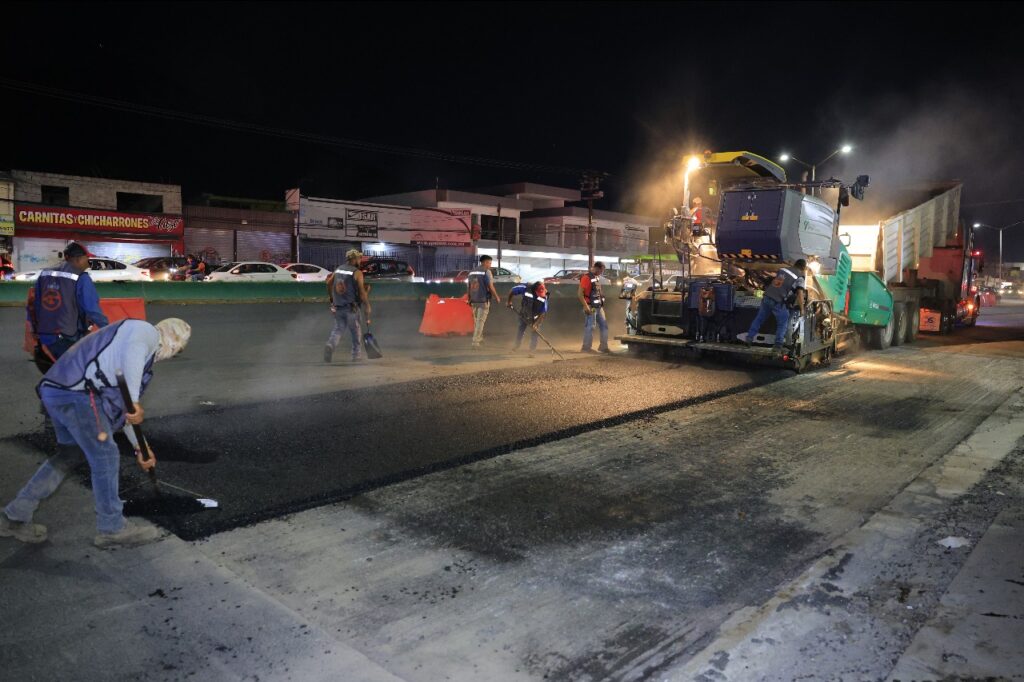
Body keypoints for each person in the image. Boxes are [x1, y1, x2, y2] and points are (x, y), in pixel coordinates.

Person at [0, 317, 191, 549]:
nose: (172, 355)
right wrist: (134, 400)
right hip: (77, 394)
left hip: (58, 392)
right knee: (106, 456)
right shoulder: (145, 333)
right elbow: (130, 392)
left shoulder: (126, 353)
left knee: (69, 455)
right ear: (173, 342)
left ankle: (14, 516)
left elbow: (122, 410)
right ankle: (112, 529)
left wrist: (140, 446)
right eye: (177, 350)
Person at [27, 242, 109, 373]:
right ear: (78, 259)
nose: (88, 263)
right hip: (68, 336)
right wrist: (109, 330)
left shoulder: (44, 274)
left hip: (46, 336)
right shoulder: (81, 278)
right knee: (75, 374)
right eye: (87, 259)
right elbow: (92, 309)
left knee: (57, 373)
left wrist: (34, 329)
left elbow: (33, 304)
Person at [745, 259, 807, 353]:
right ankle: (778, 345)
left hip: (767, 296)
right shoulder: (800, 277)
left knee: (759, 319)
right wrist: (802, 309)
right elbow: (800, 294)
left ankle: (749, 338)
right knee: (783, 322)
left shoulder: (783, 270)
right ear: (803, 268)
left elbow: (779, 284)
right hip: (778, 300)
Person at [324, 249, 371, 363]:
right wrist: (367, 305)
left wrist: (332, 299)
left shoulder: (338, 269)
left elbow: (329, 283)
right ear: (354, 259)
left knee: (338, 329)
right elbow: (361, 292)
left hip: (338, 307)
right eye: (359, 258)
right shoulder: (357, 272)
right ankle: (356, 355)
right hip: (351, 308)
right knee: (356, 332)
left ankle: (330, 345)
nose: (360, 260)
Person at [467, 255, 501, 349]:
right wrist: (497, 297)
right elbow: (490, 286)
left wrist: (469, 298)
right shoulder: (486, 272)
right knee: (480, 322)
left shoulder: (471, 272)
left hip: (473, 300)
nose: (490, 265)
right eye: (489, 263)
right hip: (483, 300)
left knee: (476, 321)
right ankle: (475, 342)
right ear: (484, 262)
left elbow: (469, 286)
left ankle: (480, 339)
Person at [506, 281, 548, 356]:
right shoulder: (525, 288)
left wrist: (535, 324)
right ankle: (516, 347)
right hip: (524, 314)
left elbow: (543, 313)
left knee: (535, 332)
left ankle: (532, 350)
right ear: (534, 289)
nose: (540, 295)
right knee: (521, 330)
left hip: (536, 317)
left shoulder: (544, 296)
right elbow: (512, 290)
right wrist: (509, 302)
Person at [578, 261, 610, 353]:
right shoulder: (586, 278)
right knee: (590, 326)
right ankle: (586, 348)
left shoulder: (596, 277)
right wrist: (585, 306)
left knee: (604, 326)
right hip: (590, 306)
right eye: (601, 270)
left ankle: (603, 347)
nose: (601, 273)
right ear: (596, 268)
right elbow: (580, 294)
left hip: (598, 306)